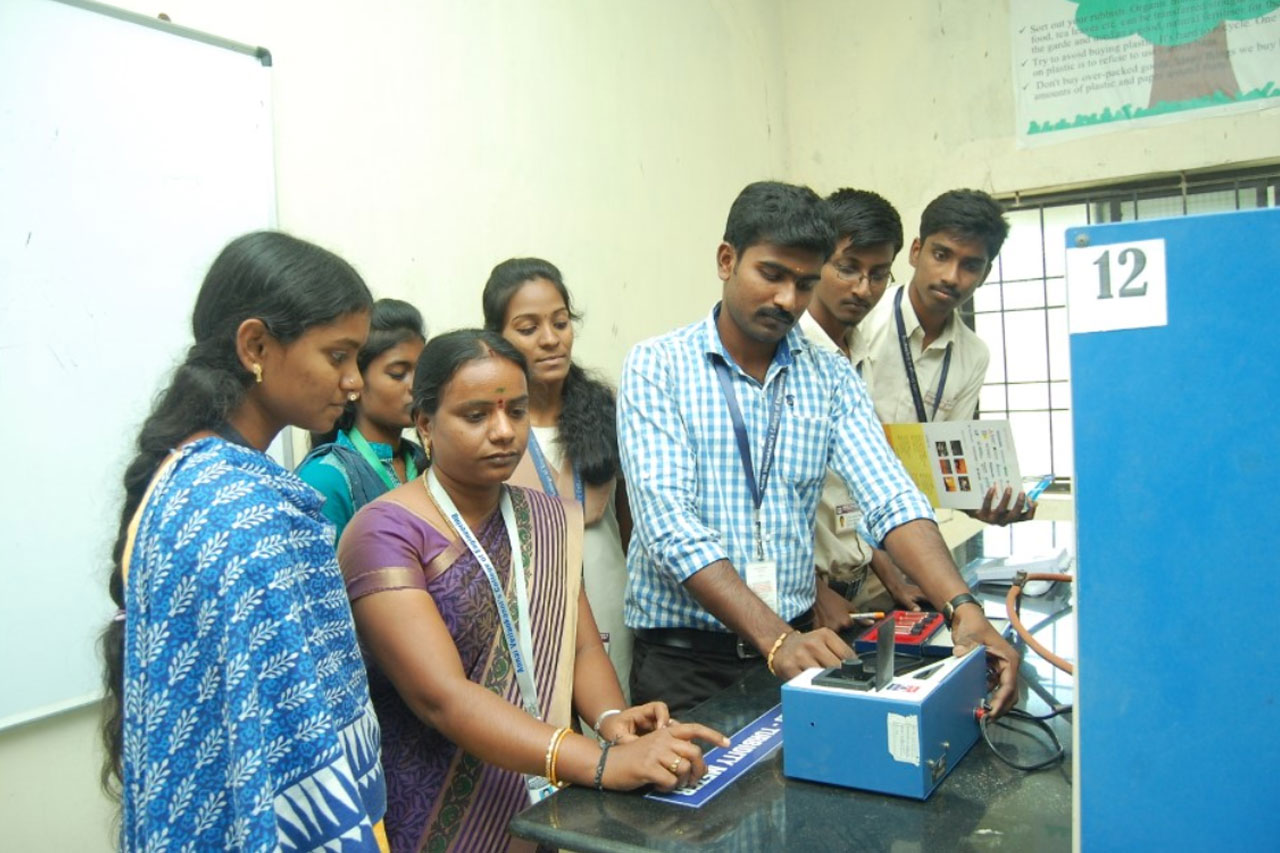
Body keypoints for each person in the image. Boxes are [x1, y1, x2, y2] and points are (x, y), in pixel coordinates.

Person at [617, 181, 1019, 717]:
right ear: (726, 259)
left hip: (802, 649)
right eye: (772, 275)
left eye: (804, 283)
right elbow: (669, 526)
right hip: (690, 663)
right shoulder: (657, 366)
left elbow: (890, 494)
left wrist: (962, 607)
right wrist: (775, 638)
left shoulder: (828, 375)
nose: (788, 299)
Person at [337, 329, 728, 853]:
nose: (503, 431)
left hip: (546, 787)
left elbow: (581, 643)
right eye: (476, 416)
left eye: (516, 412)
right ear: (425, 424)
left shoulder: (544, 516)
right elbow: (442, 697)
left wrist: (613, 722)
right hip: (441, 805)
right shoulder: (384, 533)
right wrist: (601, 762)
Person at [100, 231, 389, 852]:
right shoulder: (244, 516)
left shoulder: (192, 477)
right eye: (338, 355)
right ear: (256, 345)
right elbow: (298, 744)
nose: (354, 382)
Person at [482, 257, 634, 697]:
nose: (550, 340)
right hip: (529, 608)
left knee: (615, 717)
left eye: (561, 323)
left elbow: (628, 524)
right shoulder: (495, 424)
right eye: (528, 329)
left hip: (609, 598)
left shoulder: (606, 405)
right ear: (499, 337)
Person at [796, 189, 930, 632]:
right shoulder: (788, 355)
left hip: (855, 586)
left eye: (879, 275)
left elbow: (853, 490)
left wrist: (892, 575)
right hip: (802, 600)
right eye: (848, 268)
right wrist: (814, 593)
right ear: (817, 261)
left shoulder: (858, 355)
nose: (863, 288)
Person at [861, 188, 1033, 525]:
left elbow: (946, 469)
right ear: (915, 252)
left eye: (970, 265)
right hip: (839, 532)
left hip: (906, 532)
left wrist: (985, 505)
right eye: (941, 255)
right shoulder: (863, 319)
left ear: (986, 274)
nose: (951, 277)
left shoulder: (973, 356)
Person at [298, 298, 428, 541]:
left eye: (420, 372)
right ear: (355, 381)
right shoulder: (325, 477)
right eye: (398, 374)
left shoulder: (425, 462)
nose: (415, 386)